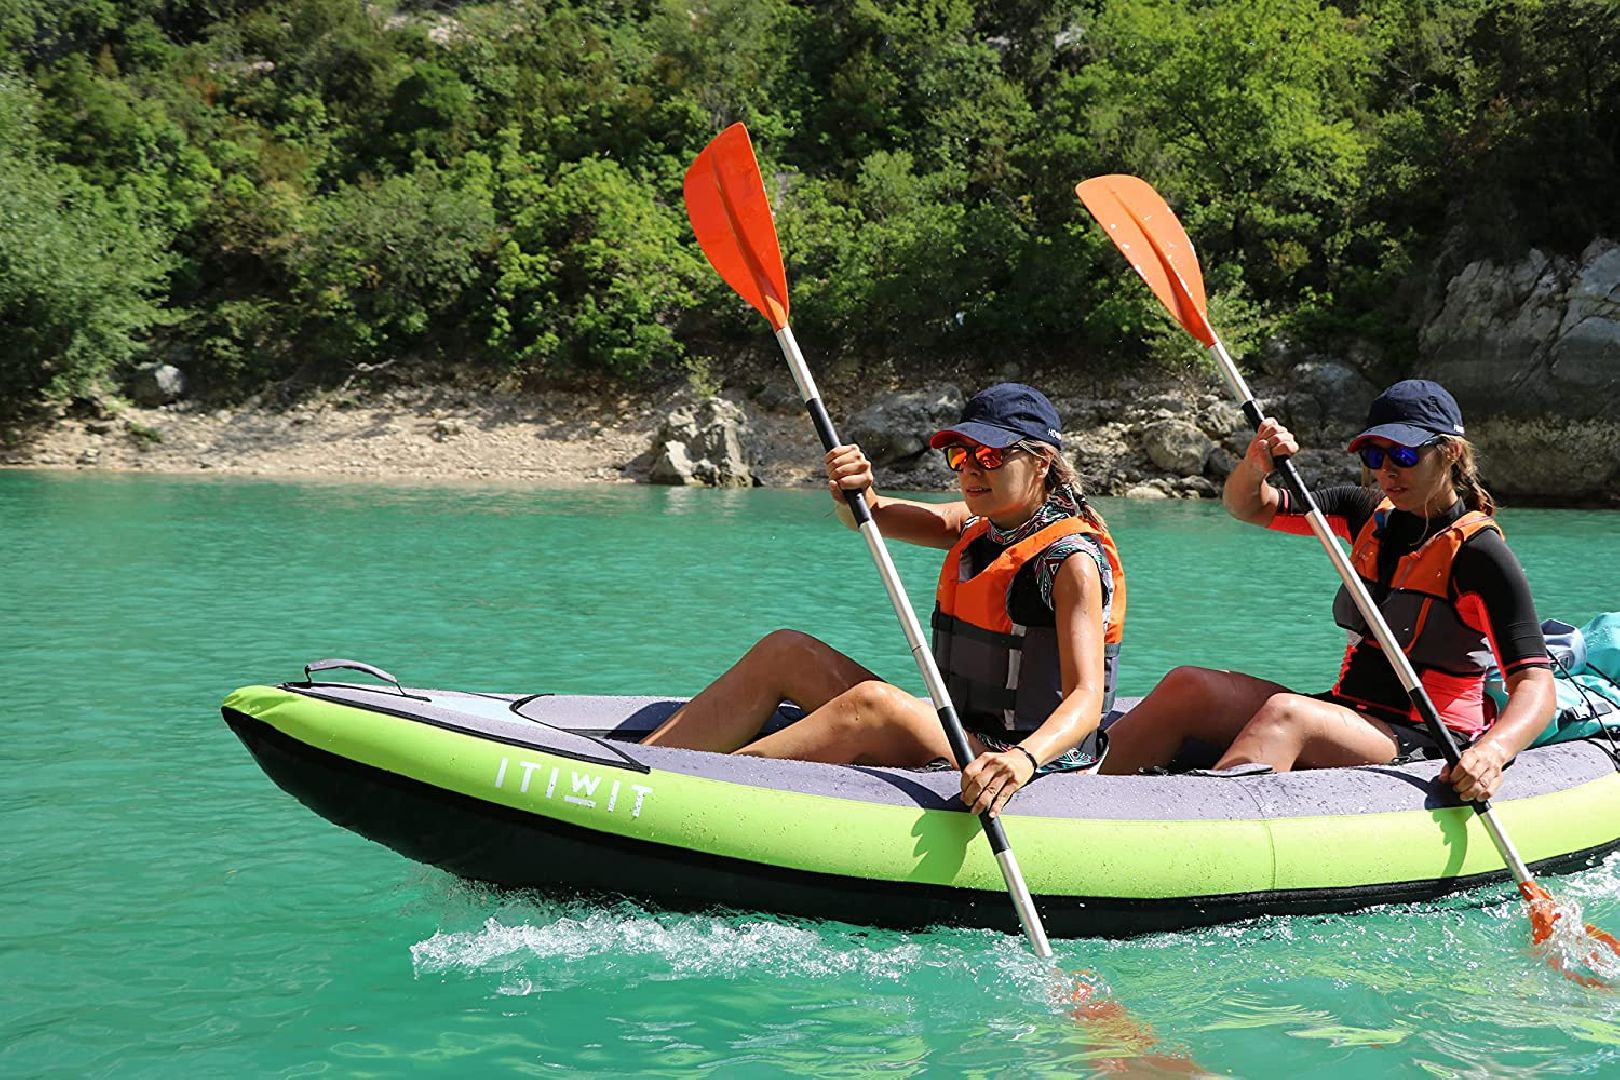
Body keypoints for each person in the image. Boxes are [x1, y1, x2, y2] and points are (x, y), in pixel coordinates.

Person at [643, 383, 1126, 818]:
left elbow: (1086, 699)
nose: (972, 470)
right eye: (962, 456)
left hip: (1023, 757)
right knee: (786, 650)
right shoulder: (979, 526)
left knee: (873, 705)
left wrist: (1022, 760)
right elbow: (867, 516)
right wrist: (852, 489)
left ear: (1040, 461)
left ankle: (684, 799)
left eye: (992, 457)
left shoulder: (1071, 562)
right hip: (960, 730)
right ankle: (641, 768)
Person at [1099, 380, 1556, 801]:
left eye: (1404, 455)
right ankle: (1082, 804)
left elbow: (1535, 684)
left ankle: (1197, 839)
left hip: (1425, 732)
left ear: (1451, 452)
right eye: (1374, 457)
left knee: (1287, 714)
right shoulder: (1364, 512)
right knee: (1188, 685)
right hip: (1346, 711)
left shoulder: (1480, 553)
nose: (1386, 471)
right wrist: (1254, 466)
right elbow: (1249, 506)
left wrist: (1493, 752)